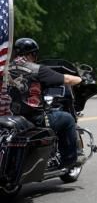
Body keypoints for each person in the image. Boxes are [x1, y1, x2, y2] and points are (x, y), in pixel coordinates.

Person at [9, 38, 84, 169]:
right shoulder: (37, 69)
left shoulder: (6, 68)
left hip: (10, 116)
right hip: (34, 118)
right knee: (67, 119)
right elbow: (66, 79)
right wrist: (80, 79)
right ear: (32, 54)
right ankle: (70, 159)